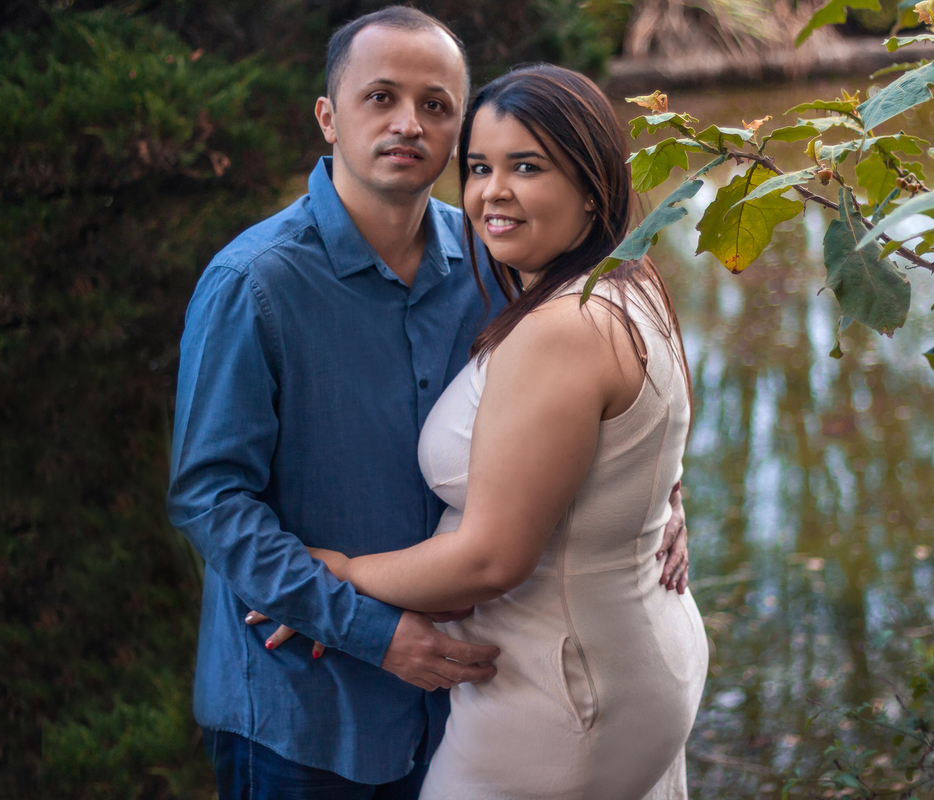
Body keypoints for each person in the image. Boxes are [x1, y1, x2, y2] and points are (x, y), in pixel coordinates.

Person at [167, 7, 690, 799]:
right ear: (328, 117)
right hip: (306, 712)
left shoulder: (498, 261)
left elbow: (605, 393)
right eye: (380, 97)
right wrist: (368, 631)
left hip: (467, 697)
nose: (408, 123)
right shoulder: (254, 285)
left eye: (437, 106)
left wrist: (657, 496)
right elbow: (211, 502)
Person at [298, 64, 709, 799]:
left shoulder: (560, 329)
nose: (492, 193)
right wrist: (658, 505)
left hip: (562, 693)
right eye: (480, 167)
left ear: (591, 184)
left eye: (527, 166)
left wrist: (335, 574)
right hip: (631, 649)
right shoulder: (630, 278)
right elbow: (627, 451)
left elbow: (491, 561)